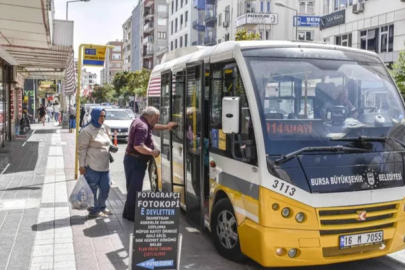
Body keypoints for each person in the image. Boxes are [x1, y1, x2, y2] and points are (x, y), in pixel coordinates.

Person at [123, 107, 177, 221]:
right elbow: (138, 146)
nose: (157, 120)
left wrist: (167, 127)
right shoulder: (142, 126)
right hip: (136, 161)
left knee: (132, 188)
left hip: (133, 160)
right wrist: (153, 152)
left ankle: (127, 212)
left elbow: (153, 126)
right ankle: (131, 215)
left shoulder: (141, 121)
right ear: (151, 117)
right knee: (135, 188)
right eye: (157, 118)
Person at [78, 108, 113, 218]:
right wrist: (81, 165)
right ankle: (94, 210)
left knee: (106, 186)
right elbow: (81, 149)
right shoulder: (86, 131)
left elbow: (108, 142)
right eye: (100, 116)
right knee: (92, 188)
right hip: (92, 165)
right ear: (95, 116)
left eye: (104, 116)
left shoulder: (104, 128)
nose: (102, 118)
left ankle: (102, 206)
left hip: (105, 165)